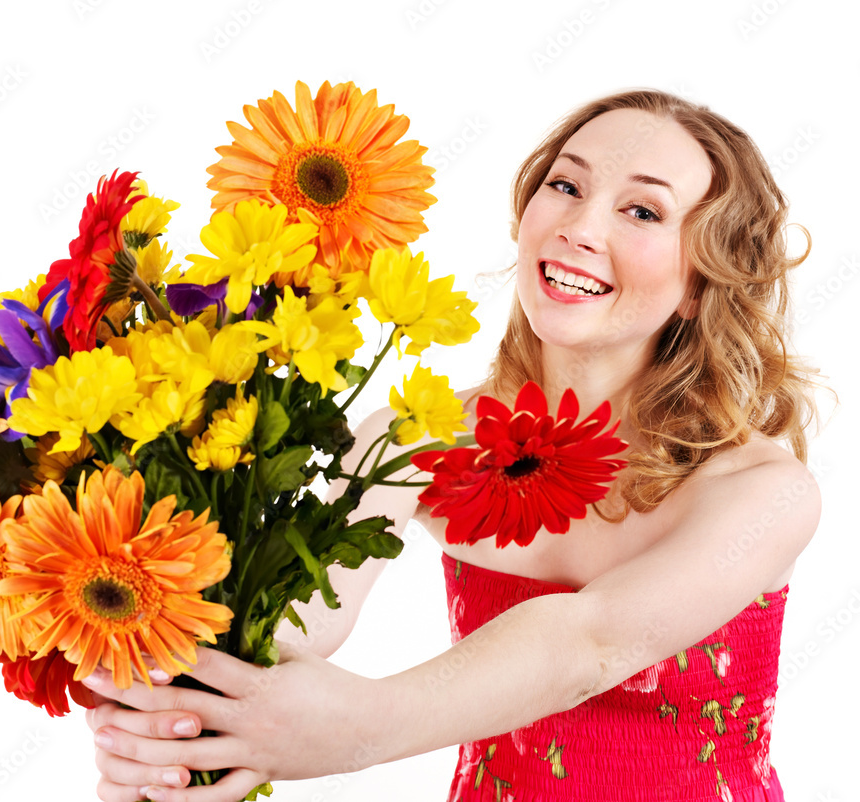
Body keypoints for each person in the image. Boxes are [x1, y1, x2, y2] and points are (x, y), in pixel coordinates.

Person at [81, 89, 822, 801]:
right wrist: (174, 730)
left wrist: (356, 730)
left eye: (641, 209)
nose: (580, 228)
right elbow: (292, 624)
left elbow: (588, 645)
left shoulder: (762, 492)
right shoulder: (414, 439)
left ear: (703, 278)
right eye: (565, 186)